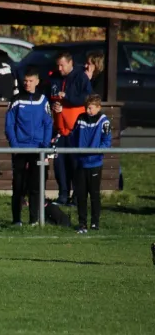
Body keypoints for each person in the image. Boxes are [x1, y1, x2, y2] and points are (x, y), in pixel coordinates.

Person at [5, 66, 53, 226]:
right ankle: (16, 219)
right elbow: (9, 124)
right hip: (20, 148)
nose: (27, 84)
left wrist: (45, 146)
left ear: (37, 81)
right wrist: (15, 144)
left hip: (38, 149)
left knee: (36, 185)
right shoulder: (16, 100)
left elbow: (48, 123)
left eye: (31, 81)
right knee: (18, 185)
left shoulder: (43, 100)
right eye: (25, 81)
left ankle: (34, 219)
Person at [50, 51, 92, 206]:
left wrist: (67, 97)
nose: (59, 68)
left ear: (70, 63)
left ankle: (77, 197)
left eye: (62, 65)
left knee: (75, 164)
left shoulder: (81, 77)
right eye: (58, 65)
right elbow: (52, 96)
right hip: (60, 128)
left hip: (75, 128)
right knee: (59, 164)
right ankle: (63, 195)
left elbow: (86, 98)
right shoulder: (55, 77)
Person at [70, 94, 111, 233]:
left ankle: (95, 223)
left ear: (98, 107)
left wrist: (97, 151)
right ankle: (82, 223)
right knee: (80, 194)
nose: (88, 110)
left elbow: (106, 141)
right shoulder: (80, 118)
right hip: (81, 163)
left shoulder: (103, 121)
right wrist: (76, 152)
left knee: (94, 194)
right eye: (86, 107)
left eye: (91, 108)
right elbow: (74, 136)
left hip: (94, 163)